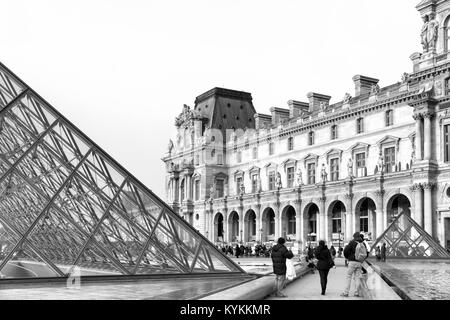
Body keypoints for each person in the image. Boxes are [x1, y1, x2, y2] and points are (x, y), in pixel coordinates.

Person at [341, 232, 364, 297]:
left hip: (352, 262)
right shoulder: (362, 244)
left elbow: (345, 251)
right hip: (359, 262)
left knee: (348, 276)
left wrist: (348, 257)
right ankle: (356, 292)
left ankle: (346, 292)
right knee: (357, 277)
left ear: (354, 237)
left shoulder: (352, 243)